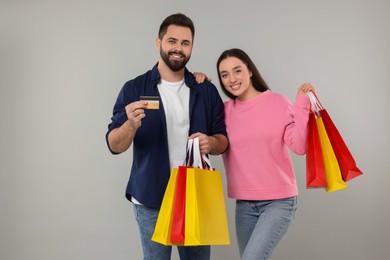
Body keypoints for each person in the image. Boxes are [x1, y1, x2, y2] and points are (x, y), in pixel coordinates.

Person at [105, 13, 228, 260]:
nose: (178, 48)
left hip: (194, 194)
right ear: (159, 42)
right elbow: (114, 145)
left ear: (192, 47)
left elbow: (222, 140)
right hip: (151, 196)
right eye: (172, 41)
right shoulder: (135, 89)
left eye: (185, 43)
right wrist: (130, 124)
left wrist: (212, 142)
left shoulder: (205, 89)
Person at [216, 48, 315, 260]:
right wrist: (201, 83)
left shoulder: (277, 102)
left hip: (279, 201)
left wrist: (301, 103)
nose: (232, 79)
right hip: (244, 204)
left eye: (237, 71)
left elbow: (299, 146)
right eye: (224, 75)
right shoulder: (224, 111)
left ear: (250, 71)